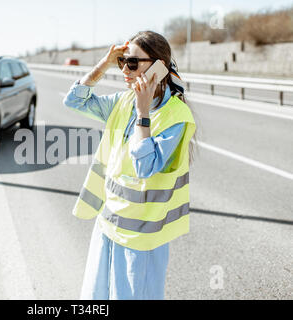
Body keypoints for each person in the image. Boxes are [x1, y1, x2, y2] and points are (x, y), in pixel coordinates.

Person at [63, 31, 197, 300]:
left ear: (158, 66)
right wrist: (104, 63)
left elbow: (145, 168)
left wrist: (143, 114)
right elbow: (74, 100)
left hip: (142, 236)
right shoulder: (123, 101)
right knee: (98, 296)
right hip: (109, 222)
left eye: (133, 63)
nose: (124, 68)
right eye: (122, 61)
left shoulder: (176, 116)